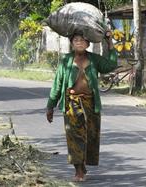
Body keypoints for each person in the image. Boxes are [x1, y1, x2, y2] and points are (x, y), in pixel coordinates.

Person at [46, 31, 117, 182]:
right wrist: (50, 106)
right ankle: (78, 170)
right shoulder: (65, 61)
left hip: (90, 103)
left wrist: (110, 42)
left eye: (82, 40)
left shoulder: (94, 59)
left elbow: (110, 65)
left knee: (90, 137)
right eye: (75, 40)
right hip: (72, 103)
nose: (78, 42)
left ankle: (83, 164)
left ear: (87, 44)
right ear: (72, 43)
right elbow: (57, 84)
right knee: (74, 136)